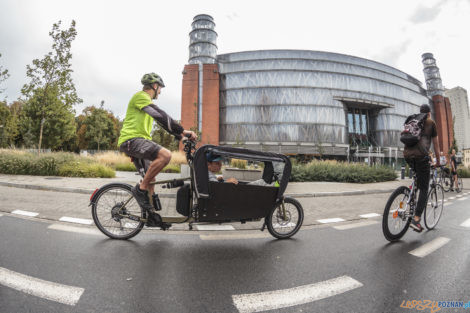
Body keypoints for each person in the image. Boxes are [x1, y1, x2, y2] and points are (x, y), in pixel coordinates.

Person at [118, 73, 196, 210]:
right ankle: (140, 189)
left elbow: (162, 123)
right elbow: (160, 115)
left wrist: (180, 137)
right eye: (160, 88)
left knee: (151, 179)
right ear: (155, 86)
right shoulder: (141, 97)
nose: (160, 92)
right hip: (132, 140)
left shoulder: (146, 103)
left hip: (138, 141)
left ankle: (150, 213)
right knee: (165, 155)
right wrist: (183, 131)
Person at [403, 104, 440, 233]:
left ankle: (411, 195)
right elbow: (436, 144)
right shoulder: (430, 122)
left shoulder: (414, 120)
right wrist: (438, 161)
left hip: (407, 155)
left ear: (421, 112)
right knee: (424, 188)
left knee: (418, 181)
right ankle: (416, 219)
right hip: (421, 157)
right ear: (429, 113)